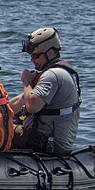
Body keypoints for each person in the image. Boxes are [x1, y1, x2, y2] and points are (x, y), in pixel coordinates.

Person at [8, 27, 81, 156]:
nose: (32, 60)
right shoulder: (52, 73)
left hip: (47, 144)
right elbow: (21, 101)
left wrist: (27, 82)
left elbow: (31, 106)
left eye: (36, 56)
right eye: (31, 56)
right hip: (42, 138)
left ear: (51, 53)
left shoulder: (52, 75)